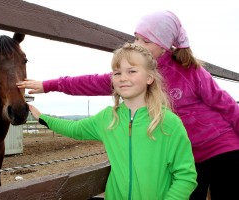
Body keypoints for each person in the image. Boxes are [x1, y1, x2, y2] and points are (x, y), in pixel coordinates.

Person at [17, 10, 239, 199]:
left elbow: (227, 105)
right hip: (186, 153)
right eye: (136, 38)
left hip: (222, 147)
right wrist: (48, 85)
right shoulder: (131, 74)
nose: (136, 44)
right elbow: (89, 82)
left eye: (145, 40)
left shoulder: (190, 71)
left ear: (164, 46)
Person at [28, 43, 197, 199]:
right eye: (117, 73)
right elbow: (75, 129)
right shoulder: (107, 119)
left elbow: (186, 177)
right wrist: (43, 118)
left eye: (132, 71)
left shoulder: (168, 123)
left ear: (150, 78)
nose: (123, 77)